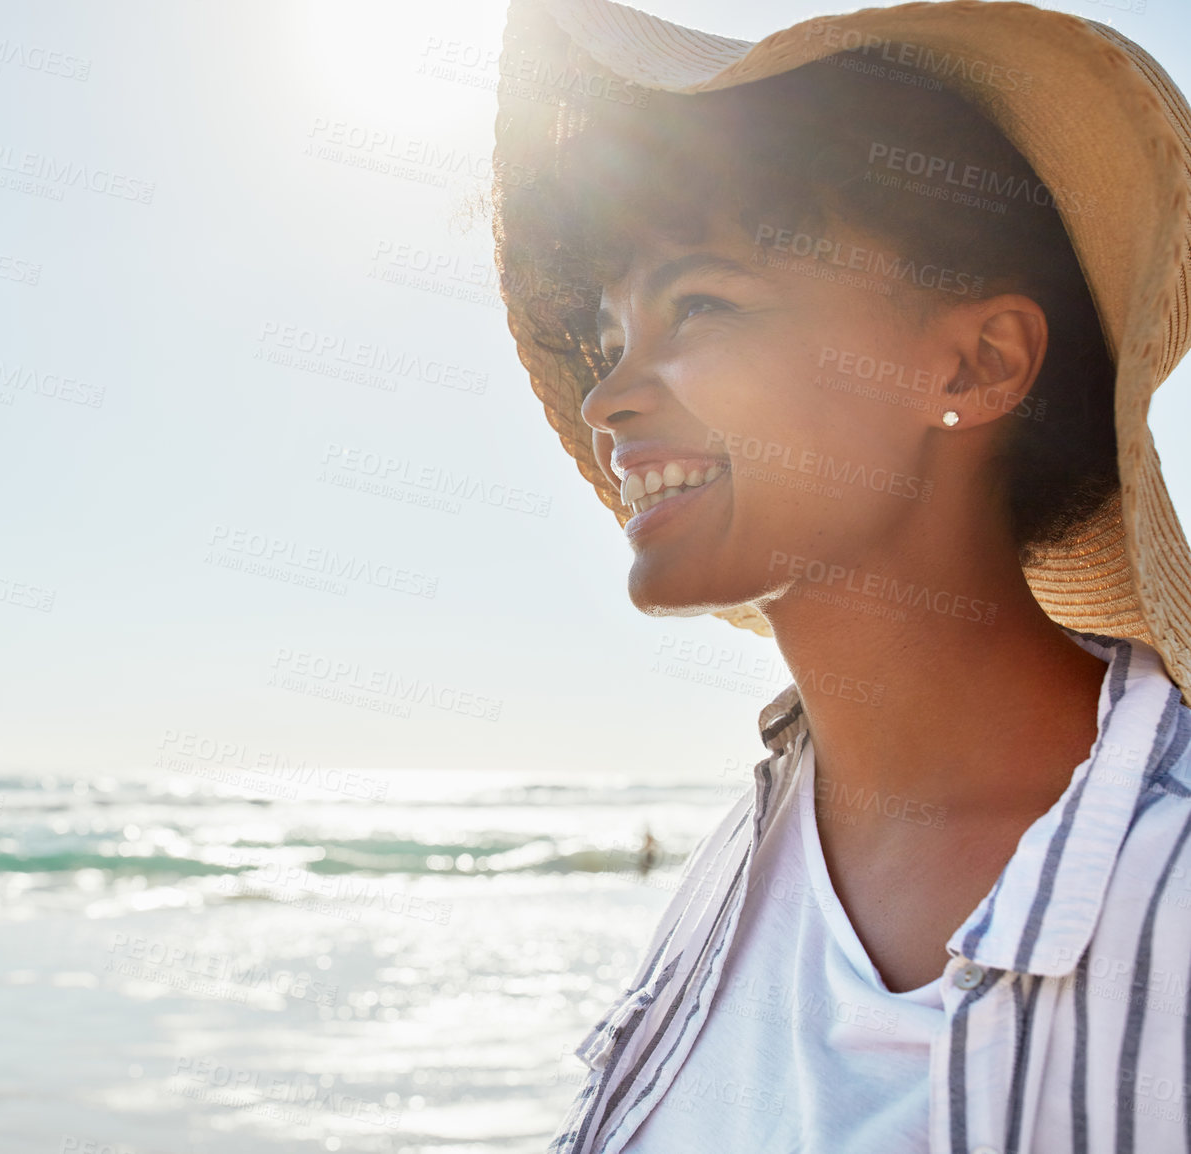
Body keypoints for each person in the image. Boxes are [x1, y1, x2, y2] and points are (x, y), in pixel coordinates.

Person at [489, 2, 1191, 1151]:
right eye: (611, 336)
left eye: (701, 303)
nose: (607, 398)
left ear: (976, 361)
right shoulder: (741, 866)